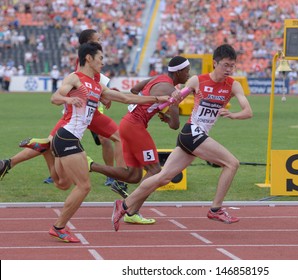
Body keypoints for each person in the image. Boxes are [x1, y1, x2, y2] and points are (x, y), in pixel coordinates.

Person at [111, 44, 253, 231]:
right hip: (192, 132)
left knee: (163, 177)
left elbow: (248, 111)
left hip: (194, 137)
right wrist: (168, 103)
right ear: (215, 63)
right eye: (225, 65)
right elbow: (177, 97)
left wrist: (233, 114)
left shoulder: (233, 85)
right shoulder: (197, 80)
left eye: (232, 66)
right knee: (232, 163)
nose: (229, 70)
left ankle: (124, 205)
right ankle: (216, 209)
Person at [48, 42, 170, 242]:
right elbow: (56, 96)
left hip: (66, 139)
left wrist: (157, 99)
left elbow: (125, 97)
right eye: (101, 58)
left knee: (62, 183)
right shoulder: (75, 78)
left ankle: (45, 150)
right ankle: (59, 227)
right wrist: (68, 100)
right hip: (67, 136)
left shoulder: (97, 86)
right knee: (84, 187)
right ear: (88, 58)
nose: (103, 63)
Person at [0, 30, 125, 193]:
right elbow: (86, 87)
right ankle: (116, 177)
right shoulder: (89, 62)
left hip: (80, 111)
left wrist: (104, 96)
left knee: (51, 142)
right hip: (85, 112)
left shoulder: (88, 61)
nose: (101, 40)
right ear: (88, 43)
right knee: (113, 138)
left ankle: (9, 163)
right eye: (97, 38)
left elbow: (95, 87)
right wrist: (103, 97)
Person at [88, 56, 190, 224]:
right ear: (178, 72)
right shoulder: (171, 90)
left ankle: (91, 165)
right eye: (186, 71)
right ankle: (131, 210)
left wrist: (154, 108)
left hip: (127, 122)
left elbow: (135, 90)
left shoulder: (157, 78)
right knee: (155, 170)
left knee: (134, 175)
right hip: (135, 126)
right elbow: (175, 125)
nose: (188, 74)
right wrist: (169, 108)